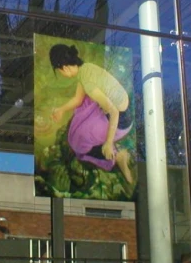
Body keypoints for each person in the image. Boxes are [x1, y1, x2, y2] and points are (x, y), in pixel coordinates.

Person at [49, 44, 134, 184]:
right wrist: (61, 109)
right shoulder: (85, 69)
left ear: (64, 68)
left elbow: (114, 112)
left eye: (59, 72)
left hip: (120, 119)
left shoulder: (87, 80)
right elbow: (78, 99)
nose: (62, 74)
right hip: (113, 109)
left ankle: (117, 156)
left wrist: (108, 143)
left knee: (77, 142)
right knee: (82, 110)